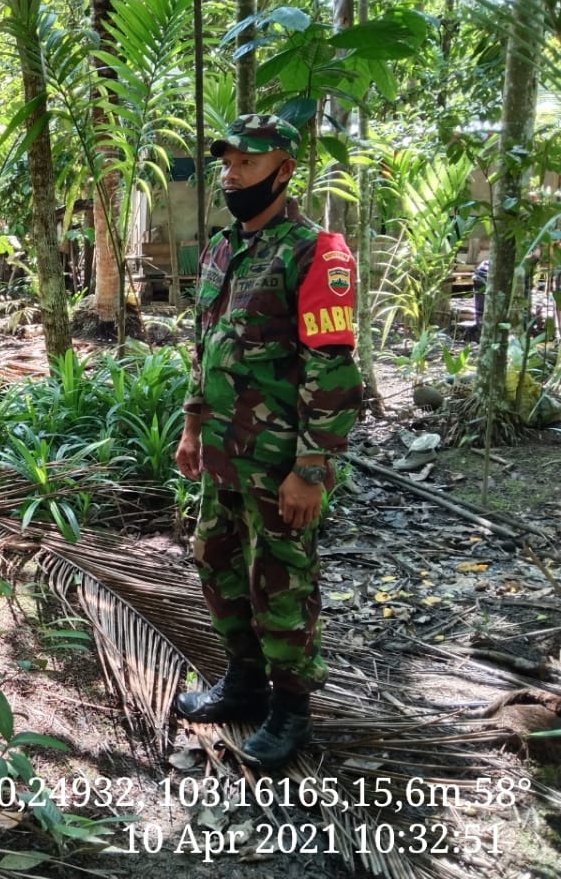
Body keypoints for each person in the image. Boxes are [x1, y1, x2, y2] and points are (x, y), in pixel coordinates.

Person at [173, 114, 363, 770]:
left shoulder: (315, 253)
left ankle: (291, 708)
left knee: (280, 581)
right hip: (223, 453)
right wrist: (192, 426)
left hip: (279, 460)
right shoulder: (222, 248)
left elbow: (331, 367)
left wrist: (311, 468)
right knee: (217, 563)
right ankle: (245, 681)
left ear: (284, 171)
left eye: (247, 164)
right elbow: (206, 345)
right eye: (227, 164)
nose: (232, 176)